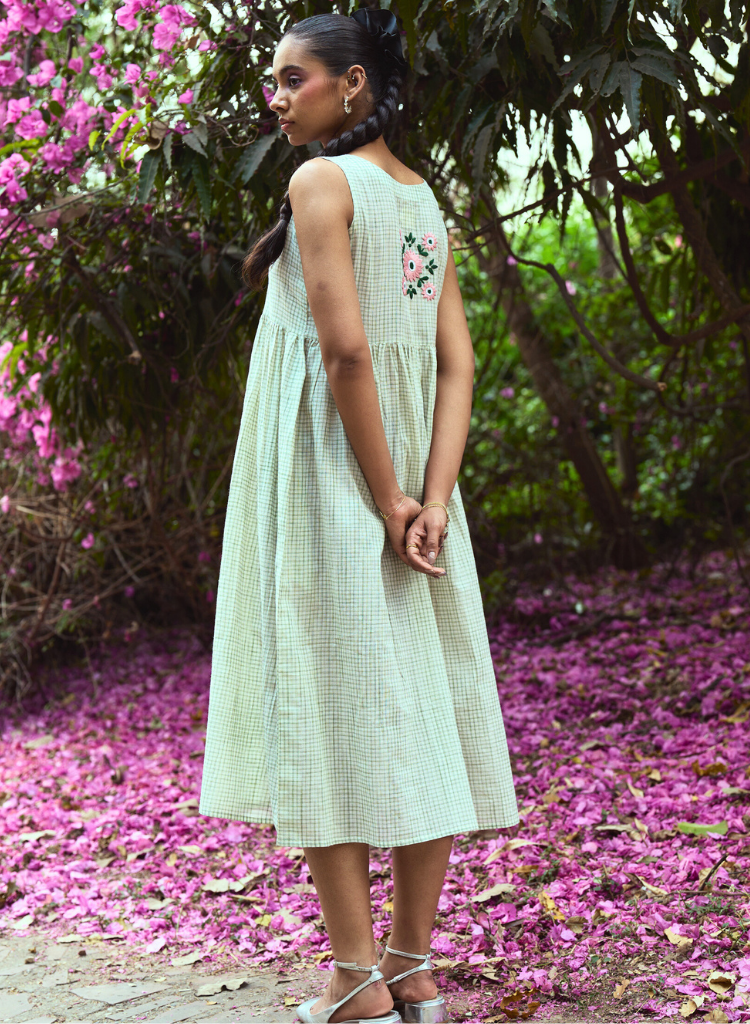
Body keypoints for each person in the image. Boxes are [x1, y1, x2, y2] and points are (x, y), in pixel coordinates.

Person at [198, 7, 519, 1023]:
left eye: (292, 78)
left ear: (353, 84)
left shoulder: (321, 183)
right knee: (424, 704)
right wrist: (433, 497)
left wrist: (387, 499)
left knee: (320, 707)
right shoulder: (421, 197)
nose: (276, 97)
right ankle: (412, 967)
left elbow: (343, 355)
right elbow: (458, 363)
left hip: (335, 475)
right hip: (417, 485)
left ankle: (354, 978)